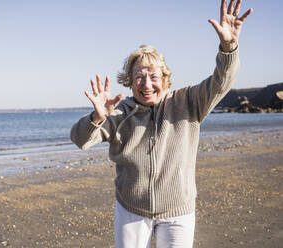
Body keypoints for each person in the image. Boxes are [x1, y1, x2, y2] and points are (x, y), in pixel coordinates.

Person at [70, 0, 252, 247]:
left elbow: (221, 82)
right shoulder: (120, 112)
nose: (146, 84)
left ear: (165, 79)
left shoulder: (188, 101)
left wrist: (228, 47)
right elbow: (80, 140)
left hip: (178, 209)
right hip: (131, 209)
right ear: (130, 82)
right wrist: (97, 117)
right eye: (139, 77)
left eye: (153, 76)